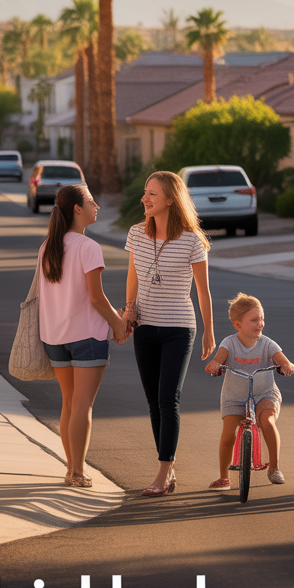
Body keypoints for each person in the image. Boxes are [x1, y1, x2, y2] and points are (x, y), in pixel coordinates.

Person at [123, 171, 215, 497]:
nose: (144, 199)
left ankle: (163, 470)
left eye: (152, 194)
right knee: (153, 402)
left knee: (168, 398)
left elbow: (203, 291)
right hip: (145, 326)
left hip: (179, 327)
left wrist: (208, 333)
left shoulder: (192, 240)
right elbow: (132, 276)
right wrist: (129, 309)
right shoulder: (137, 233)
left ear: (171, 200)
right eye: (145, 192)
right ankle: (168, 468)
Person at [38, 185, 128, 488]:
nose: (97, 206)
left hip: (54, 337)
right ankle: (77, 472)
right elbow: (96, 298)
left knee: (69, 403)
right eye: (91, 202)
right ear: (77, 209)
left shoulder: (48, 246)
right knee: (82, 405)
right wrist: (118, 324)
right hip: (86, 337)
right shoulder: (88, 247)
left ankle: (70, 468)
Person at [205, 293, 294, 489]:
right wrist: (214, 365)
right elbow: (218, 359)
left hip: (265, 394)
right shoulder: (229, 343)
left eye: (262, 318)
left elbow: (283, 360)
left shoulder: (267, 344)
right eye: (254, 320)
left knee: (267, 420)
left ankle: (274, 467)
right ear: (237, 325)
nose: (260, 324)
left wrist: (287, 366)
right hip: (234, 396)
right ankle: (224, 477)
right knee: (228, 434)